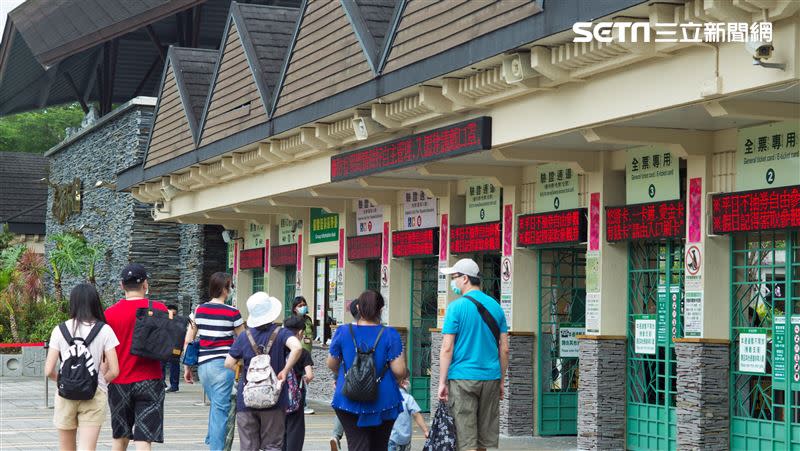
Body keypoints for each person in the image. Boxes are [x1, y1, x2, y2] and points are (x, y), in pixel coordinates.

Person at [437, 258, 509, 451]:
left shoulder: (456, 308)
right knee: (484, 441)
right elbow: (505, 349)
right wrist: (501, 381)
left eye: (455, 277)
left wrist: (442, 382)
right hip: (491, 378)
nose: (453, 282)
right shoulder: (497, 307)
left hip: (462, 379)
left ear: (466, 279)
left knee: (466, 440)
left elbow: (447, 347)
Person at [326, 290, 406, 451]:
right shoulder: (390, 334)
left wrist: (345, 375)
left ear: (358, 308)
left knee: (357, 445)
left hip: (348, 399)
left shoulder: (343, 331)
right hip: (384, 399)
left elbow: (331, 363)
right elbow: (399, 371)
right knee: (379, 446)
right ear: (381, 309)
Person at [44, 283, 120, 451]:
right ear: (95, 303)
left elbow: (48, 370)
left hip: (65, 394)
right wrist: (99, 381)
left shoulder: (59, 330)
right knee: (87, 448)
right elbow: (115, 370)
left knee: (66, 448)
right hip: (94, 393)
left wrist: (64, 381)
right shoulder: (105, 330)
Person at [225, 293, 303, 451]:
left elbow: (228, 363)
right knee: (273, 445)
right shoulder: (281, 333)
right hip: (274, 399)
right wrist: (285, 370)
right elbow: (297, 347)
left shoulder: (244, 337)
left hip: (246, 399)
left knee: (248, 446)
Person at [105, 263, 169, 450]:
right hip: (150, 380)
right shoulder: (159, 309)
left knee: (120, 435)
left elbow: (104, 353)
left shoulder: (109, 314)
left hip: (119, 381)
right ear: (145, 284)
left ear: (121, 285)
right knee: (144, 437)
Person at [184, 272, 244, 450]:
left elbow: (188, 340)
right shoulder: (233, 313)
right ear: (224, 289)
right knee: (220, 410)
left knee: (216, 406)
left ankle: (212, 439)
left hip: (204, 367)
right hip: (224, 367)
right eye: (230, 286)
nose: (231, 290)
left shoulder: (199, 310)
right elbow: (243, 341)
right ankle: (216, 447)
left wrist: (187, 367)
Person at [329, 299, 359, 451]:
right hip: (369, 383)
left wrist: (337, 378)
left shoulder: (343, 331)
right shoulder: (379, 331)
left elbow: (334, 361)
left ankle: (336, 435)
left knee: (344, 407)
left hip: (346, 379)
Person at [282, 315, 315, 451]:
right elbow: (310, 375)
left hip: (280, 392)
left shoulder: (280, 350)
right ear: (300, 332)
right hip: (296, 394)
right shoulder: (303, 353)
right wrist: (306, 378)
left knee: (281, 424)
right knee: (295, 426)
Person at [389, 369, 429, 451]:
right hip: (405, 439)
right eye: (407, 379)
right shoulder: (408, 398)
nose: (408, 382)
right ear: (402, 382)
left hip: (391, 438)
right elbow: (416, 415)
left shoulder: (387, 397)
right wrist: (425, 430)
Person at [290, 296, 315, 414]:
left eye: (304, 305)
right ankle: (300, 404)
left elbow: (312, 334)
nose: (303, 307)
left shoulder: (308, 320)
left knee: (304, 380)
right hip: (295, 353)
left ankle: (302, 403)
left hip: (306, 354)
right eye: (300, 306)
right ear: (294, 308)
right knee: (296, 379)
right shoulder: (292, 321)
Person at [161, 304, 181, 393]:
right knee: (161, 364)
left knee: (174, 364)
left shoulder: (179, 321)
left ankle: (174, 385)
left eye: (174, 314)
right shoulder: (162, 321)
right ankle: (162, 383)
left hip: (175, 346)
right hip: (164, 345)